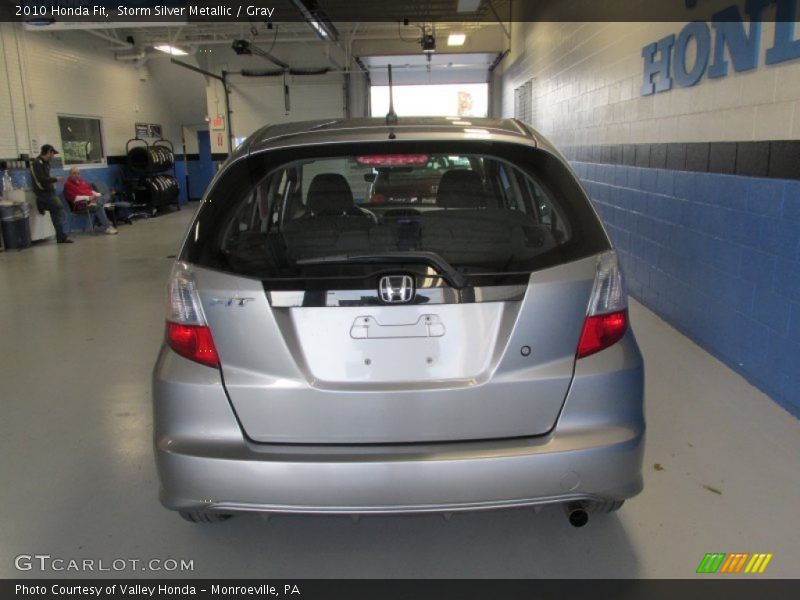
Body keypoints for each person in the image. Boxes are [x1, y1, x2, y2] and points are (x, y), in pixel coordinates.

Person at [30, 144, 72, 243]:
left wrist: (53, 181)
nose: (53, 156)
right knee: (59, 208)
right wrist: (55, 179)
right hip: (43, 192)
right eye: (53, 154)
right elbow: (41, 179)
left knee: (56, 214)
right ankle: (41, 203)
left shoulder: (46, 163)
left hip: (50, 192)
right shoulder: (37, 163)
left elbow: (47, 176)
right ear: (49, 152)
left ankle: (61, 237)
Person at [63, 167, 118, 235]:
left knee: (107, 195)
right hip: (82, 205)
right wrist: (88, 198)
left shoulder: (82, 181)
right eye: (74, 173)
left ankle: (97, 203)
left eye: (78, 173)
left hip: (92, 201)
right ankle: (108, 226)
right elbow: (75, 198)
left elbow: (90, 191)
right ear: (70, 174)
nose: (77, 175)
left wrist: (99, 194)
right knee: (99, 207)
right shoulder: (67, 184)